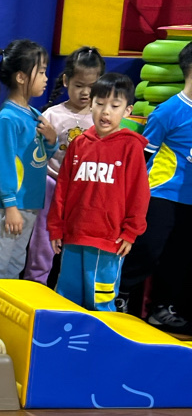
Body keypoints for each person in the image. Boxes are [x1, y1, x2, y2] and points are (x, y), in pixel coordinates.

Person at [0, 40, 58, 325]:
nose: (46, 78)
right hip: (9, 207)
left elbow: (37, 159)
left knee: (14, 265)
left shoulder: (33, 115)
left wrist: (52, 142)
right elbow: (3, 166)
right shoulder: (8, 119)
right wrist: (10, 206)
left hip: (27, 205)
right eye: (41, 72)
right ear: (21, 77)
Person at [48, 73, 150, 310]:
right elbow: (63, 188)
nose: (106, 112)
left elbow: (139, 194)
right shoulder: (78, 143)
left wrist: (131, 232)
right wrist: (56, 226)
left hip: (109, 240)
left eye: (115, 106)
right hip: (74, 236)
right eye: (100, 103)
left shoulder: (131, 146)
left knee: (100, 302)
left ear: (127, 110)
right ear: (91, 104)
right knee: (67, 299)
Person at [115, 41, 192, 331]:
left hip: (189, 200)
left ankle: (162, 309)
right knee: (147, 251)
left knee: (179, 258)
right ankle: (120, 297)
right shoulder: (167, 112)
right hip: (161, 194)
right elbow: (141, 160)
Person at [23, 45, 105, 285]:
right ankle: (36, 282)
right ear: (67, 81)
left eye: (92, 86)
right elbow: (36, 151)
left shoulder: (102, 117)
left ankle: (72, 288)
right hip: (52, 184)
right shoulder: (52, 115)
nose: (85, 92)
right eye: (79, 85)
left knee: (79, 239)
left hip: (85, 187)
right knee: (43, 237)